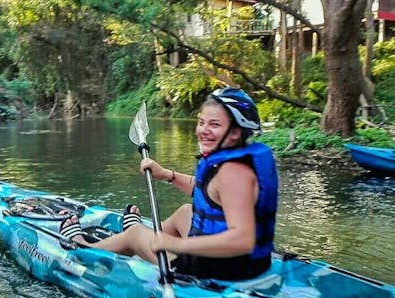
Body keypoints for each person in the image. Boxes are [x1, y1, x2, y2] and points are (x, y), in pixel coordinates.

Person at [59, 87, 278, 281]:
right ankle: (142, 236)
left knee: (135, 234)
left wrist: (176, 245)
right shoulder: (231, 159)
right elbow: (208, 194)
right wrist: (167, 174)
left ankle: (85, 248)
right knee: (185, 212)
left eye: (215, 125)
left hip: (223, 268)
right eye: (201, 122)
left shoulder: (234, 173)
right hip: (243, 262)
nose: (203, 130)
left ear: (236, 132)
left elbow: (242, 240)